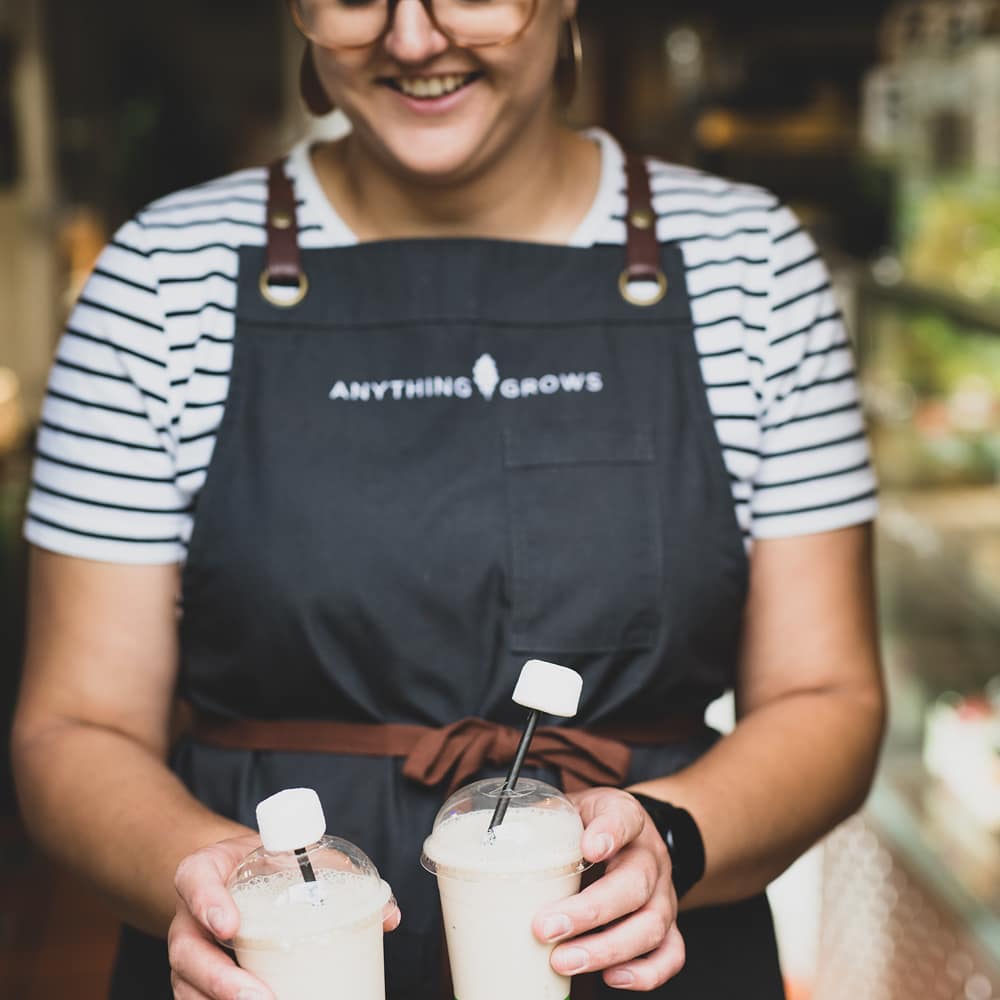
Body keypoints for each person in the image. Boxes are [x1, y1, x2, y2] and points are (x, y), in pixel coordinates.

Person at [11, 1, 886, 997]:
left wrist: (676, 839)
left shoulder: (753, 268)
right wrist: (218, 887)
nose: (414, 39)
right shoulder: (158, 283)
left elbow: (830, 697)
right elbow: (74, 727)